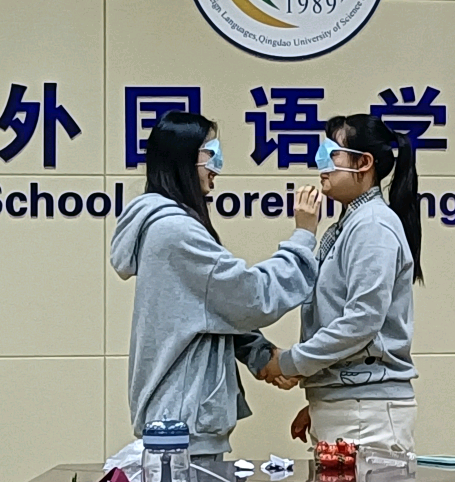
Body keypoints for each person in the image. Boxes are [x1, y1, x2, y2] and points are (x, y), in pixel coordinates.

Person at [109, 112, 323, 459]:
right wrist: (302, 237)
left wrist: (261, 354)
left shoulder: (168, 226)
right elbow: (252, 296)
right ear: (184, 157)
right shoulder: (176, 232)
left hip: (180, 421)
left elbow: (214, 309)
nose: (216, 166)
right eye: (210, 153)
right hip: (183, 428)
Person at [258, 113, 423, 456]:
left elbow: (361, 321)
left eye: (331, 154)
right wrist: (322, 401)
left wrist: (290, 362)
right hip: (351, 406)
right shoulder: (350, 225)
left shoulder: (373, 225)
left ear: (364, 163)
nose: (321, 165)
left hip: (366, 412)